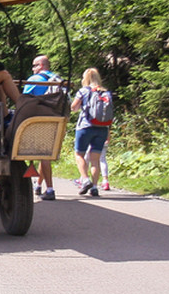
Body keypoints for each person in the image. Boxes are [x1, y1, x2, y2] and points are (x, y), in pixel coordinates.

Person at [23, 55, 64, 200]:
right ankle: (38, 186)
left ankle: (51, 189)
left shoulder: (35, 80)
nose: (33, 69)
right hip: (57, 119)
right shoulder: (57, 79)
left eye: (34, 66)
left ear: (41, 65)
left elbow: (24, 99)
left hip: (39, 119)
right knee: (44, 153)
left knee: (43, 155)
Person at [72, 67, 111, 197]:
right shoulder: (105, 92)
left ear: (85, 78)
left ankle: (85, 179)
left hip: (85, 127)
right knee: (95, 159)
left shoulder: (83, 91)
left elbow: (74, 108)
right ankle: (94, 187)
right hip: (102, 129)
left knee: (79, 155)